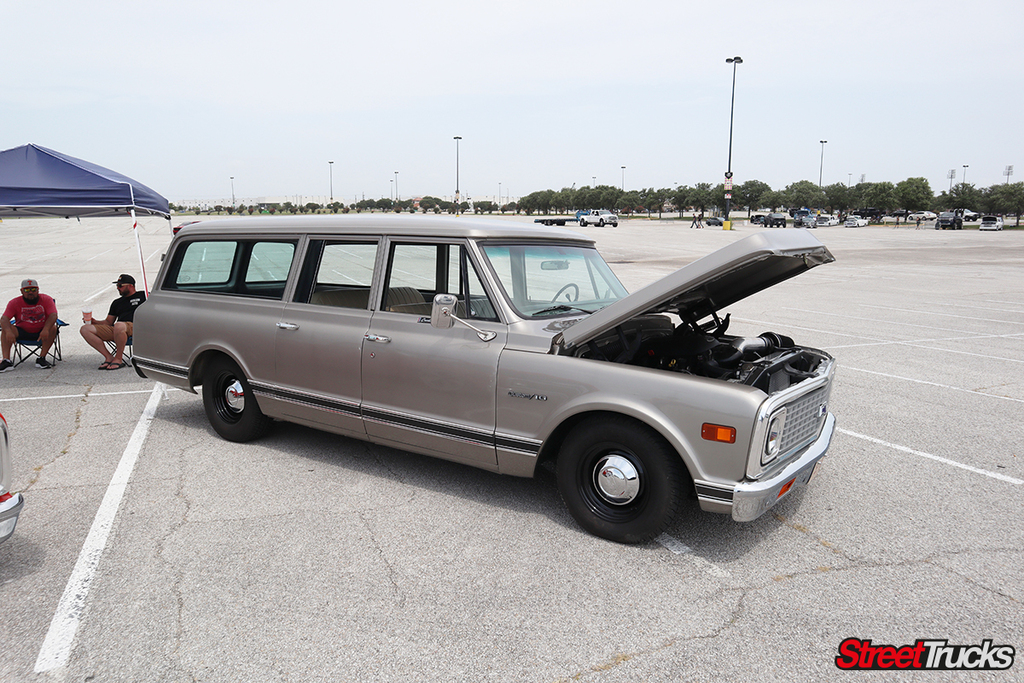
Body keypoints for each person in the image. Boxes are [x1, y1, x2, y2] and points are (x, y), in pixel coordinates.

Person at [80, 274, 146, 370]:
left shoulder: (144, 295)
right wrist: (94, 321)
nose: (118, 288)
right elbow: (108, 322)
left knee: (119, 325)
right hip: (119, 329)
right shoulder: (117, 302)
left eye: (120, 285)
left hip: (137, 327)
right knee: (85, 329)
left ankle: (118, 359)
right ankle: (109, 357)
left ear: (130, 286)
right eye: (117, 286)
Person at [1, 278, 59, 371]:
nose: (30, 292)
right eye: (27, 290)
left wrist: (46, 329)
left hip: (42, 332)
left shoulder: (46, 299)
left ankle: (41, 358)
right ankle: (6, 361)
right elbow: (4, 319)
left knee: (53, 328)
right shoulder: (14, 302)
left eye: (33, 289)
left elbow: (53, 315)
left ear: (38, 290)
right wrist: (8, 331)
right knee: (6, 329)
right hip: (22, 331)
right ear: (21, 291)